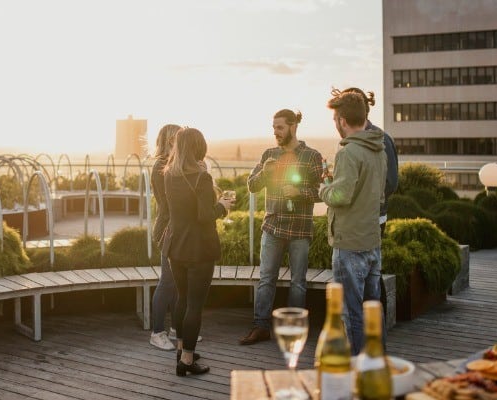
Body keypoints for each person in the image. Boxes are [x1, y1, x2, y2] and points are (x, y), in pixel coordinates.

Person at [239, 109, 324, 345]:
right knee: (266, 278)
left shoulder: (312, 156)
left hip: (300, 229)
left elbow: (324, 192)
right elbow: (252, 186)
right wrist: (265, 173)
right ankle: (261, 327)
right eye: (274, 127)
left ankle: (295, 330)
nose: (275, 132)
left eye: (280, 127)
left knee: (298, 281)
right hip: (272, 227)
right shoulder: (269, 155)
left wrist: (300, 192)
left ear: (293, 126)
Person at [320, 91, 387, 355]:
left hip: (349, 244)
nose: (335, 124)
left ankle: (361, 372)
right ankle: (378, 365)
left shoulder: (348, 153)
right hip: (372, 241)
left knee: (352, 313)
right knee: (373, 309)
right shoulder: (378, 149)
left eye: (335, 119)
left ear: (343, 120)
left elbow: (341, 195)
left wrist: (322, 189)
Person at [162, 127, 233, 376]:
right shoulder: (201, 178)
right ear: (199, 148)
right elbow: (205, 216)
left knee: (182, 299)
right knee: (195, 305)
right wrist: (222, 207)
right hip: (198, 248)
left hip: (175, 245)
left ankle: (182, 351)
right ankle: (188, 361)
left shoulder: (169, 174)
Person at [333, 87, 399, 235]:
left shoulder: (382, 139)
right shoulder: (346, 140)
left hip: (372, 219)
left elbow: (391, 182)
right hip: (349, 219)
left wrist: (360, 201)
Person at [149, 124, 183, 351]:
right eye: (180, 138)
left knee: (177, 282)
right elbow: (170, 201)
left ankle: (177, 328)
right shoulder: (162, 166)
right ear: (171, 140)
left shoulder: (173, 164)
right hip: (167, 229)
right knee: (167, 281)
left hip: (178, 228)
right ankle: (157, 332)